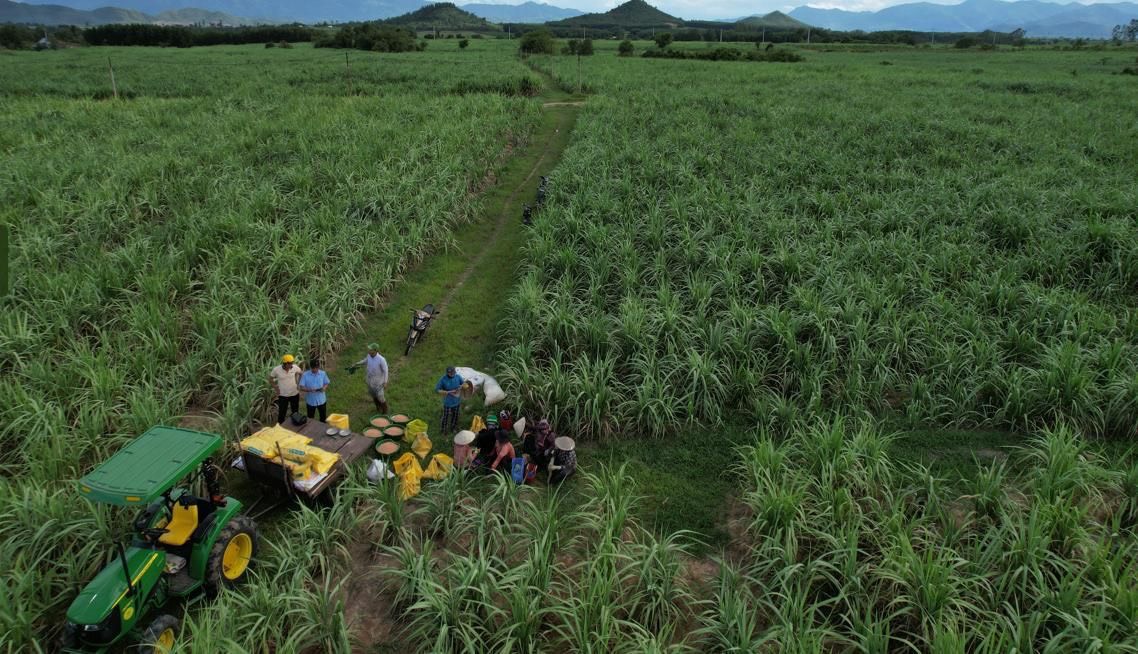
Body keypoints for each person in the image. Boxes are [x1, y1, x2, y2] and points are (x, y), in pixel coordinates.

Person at [350, 343, 389, 414]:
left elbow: (386, 371)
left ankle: (385, 411)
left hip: (378, 382)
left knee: (380, 397)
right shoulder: (369, 356)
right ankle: (378, 407)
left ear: (375, 351)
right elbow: (365, 361)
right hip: (370, 381)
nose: (369, 350)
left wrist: (385, 382)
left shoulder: (381, 360)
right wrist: (357, 364)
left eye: (370, 349)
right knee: (373, 395)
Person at [269, 354, 302, 425]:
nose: (291, 365)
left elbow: (301, 373)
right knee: (282, 412)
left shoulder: (294, 368)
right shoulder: (276, 370)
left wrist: (298, 383)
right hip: (283, 395)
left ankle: (295, 424)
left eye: (292, 363)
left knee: (295, 411)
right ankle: (280, 426)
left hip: (294, 394)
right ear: (285, 363)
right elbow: (270, 379)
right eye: (290, 363)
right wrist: (275, 387)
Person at [435, 366, 464, 434]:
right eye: (450, 373)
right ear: (447, 373)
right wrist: (448, 392)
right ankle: (443, 429)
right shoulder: (443, 379)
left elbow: (463, 384)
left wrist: (462, 387)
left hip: (456, 400)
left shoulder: (458, 377)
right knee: (446, 416)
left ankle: (453, 427)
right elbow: (437, 389)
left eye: (453, 373)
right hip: (447, 402)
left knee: (455, 415)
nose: (452, 374)